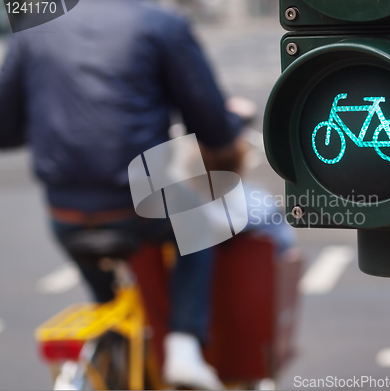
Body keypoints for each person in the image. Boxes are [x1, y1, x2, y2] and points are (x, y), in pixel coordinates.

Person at [0, 0, 245, 388]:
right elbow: (210, 122)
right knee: (197, 224)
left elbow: (5, 126)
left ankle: (109, 337)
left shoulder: (35, 26)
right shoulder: (161, 23)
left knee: (107, 296)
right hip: (140, 200)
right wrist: (235, 118)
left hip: (65, 210)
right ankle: (184, 345)